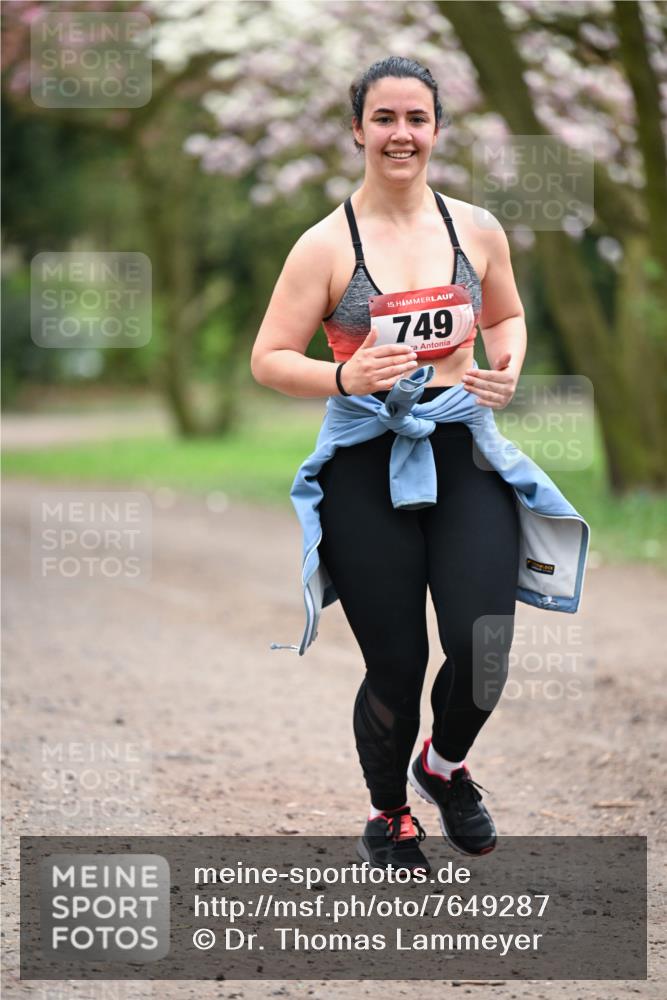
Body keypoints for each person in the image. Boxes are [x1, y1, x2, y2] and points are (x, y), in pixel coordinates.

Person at [251, 57, 558, 874]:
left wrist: (507, 365)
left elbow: (507, 314)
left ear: (436, 130)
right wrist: (344, 377)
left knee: (483, 642)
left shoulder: (475, 229)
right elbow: (269, 358)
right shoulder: (324, 246)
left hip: (461, 450)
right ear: (357, 130)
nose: (400, 134)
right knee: (396, 663)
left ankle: (444, 766)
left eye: (415, 118)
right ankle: (388, 814)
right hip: (364, 461)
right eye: (383, 118)